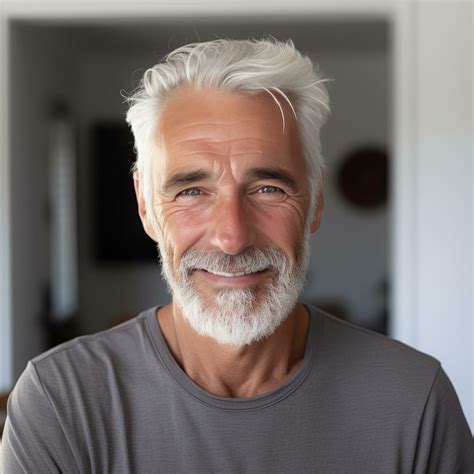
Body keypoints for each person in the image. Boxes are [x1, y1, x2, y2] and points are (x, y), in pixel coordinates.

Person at [1, 38, 473, 473]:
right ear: (146, 206)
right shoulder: (61, 400)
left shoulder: (414, 400)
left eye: (268, 188)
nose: (232, 238)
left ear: (315, 202)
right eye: (191, 191)